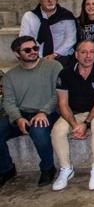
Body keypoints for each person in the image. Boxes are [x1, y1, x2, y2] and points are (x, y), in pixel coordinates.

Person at [0, 36, 62, 187]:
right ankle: (6, 169)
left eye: (35, 48)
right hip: (21, 114)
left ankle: (48, 168)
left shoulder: (54, 66)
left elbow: (59, 93)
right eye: (27, 50)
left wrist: (44, 112)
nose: (33, 52)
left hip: (48, 112)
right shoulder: (9, 77)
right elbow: (8, 101)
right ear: (17, 54)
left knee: (39, 131)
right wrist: (18, 118)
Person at [51, 40, 94, 191]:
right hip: (74, 113)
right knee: (57, 131)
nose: (88, 56)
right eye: (83, 52)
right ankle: (66, 169)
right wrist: (74, 125)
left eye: (92, 52)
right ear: (76, 55)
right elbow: (63, 104)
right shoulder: (65, 73)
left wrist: (86, 123)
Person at [20, 0, 76, 66]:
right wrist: (36, 55)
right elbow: (24, 39)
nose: (50, 1)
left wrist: (55, 55)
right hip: (36, 56)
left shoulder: (66, 15)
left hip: (61, 56)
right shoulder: (29, 16)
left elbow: (71, 39)